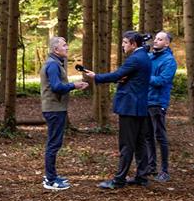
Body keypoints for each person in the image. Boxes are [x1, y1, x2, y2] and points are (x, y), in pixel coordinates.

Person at [82, 31, 153, 189]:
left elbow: (117, 75)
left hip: (130, 107)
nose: (122, 45)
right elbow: (126, 77)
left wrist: (96, 77)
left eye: (125, 42)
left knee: (127, 144)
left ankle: (119, 180)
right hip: (139, 106)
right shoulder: (144, 58)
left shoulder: (135, 58)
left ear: (134, 44)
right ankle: (142, 176)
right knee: (140, 143)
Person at [39, 36, 88, 191]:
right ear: (56, 49)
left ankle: (52, 175)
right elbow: (56, 87)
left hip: (55, 108)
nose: (67, 47)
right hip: (54, 109)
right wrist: (74, 85)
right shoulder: (53, 65)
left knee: (55, 143)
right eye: (64, 45)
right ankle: (50, 179)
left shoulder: (55, 63)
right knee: (53, 144)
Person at [146, 31, 177, 182]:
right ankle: (151, 167)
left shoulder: (169, 61)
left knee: (160, 136)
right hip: (145, 101)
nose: (156, 41)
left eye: (160, 39)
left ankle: (164, 170)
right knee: (148, 136)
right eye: (156, 39)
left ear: (167, 43)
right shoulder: (150, 57)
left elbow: (161, 81)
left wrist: (144, 76)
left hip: (158, 103)